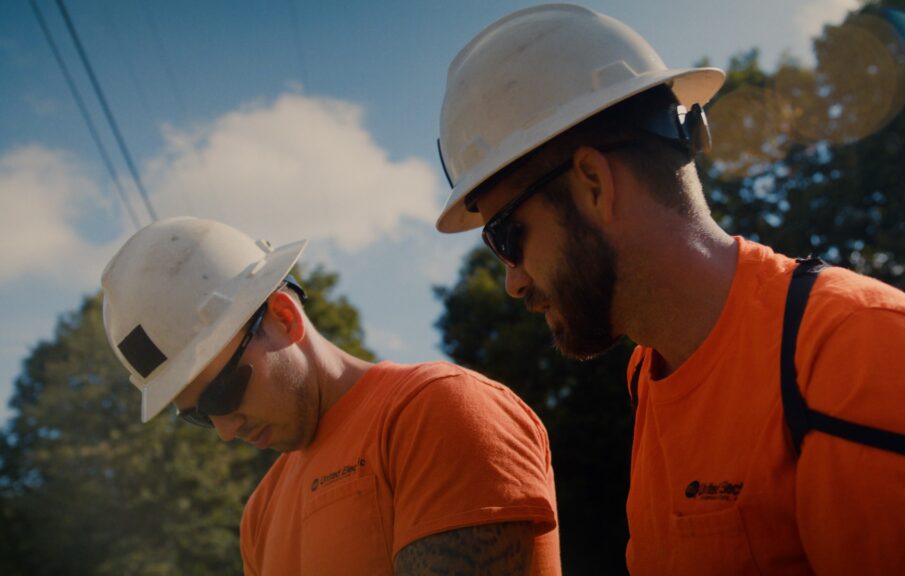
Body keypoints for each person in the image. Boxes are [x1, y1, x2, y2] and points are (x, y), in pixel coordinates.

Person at [433, 4, 905, 575]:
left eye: (507, 236)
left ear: (592, 184)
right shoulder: (648, 371)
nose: (512, 281)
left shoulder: (853, 348)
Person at [100, 216, 561, 575]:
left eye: (223, 392)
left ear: (283, 317)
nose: (224, 430)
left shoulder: (437, 412)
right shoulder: (260, 514)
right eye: (198, 414)